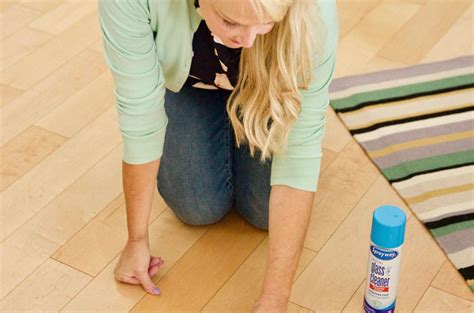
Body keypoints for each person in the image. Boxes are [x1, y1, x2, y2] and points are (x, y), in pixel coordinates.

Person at [97, 0, 339, 311]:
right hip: (191, 84)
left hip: (264, 88)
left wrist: (275, 299)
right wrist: (136, 241)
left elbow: (300, 148)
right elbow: (140, 117)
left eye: (265, 24)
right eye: (231, 22)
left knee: (264, 211)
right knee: (197, 206)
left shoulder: (314, 10)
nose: (250, 41)